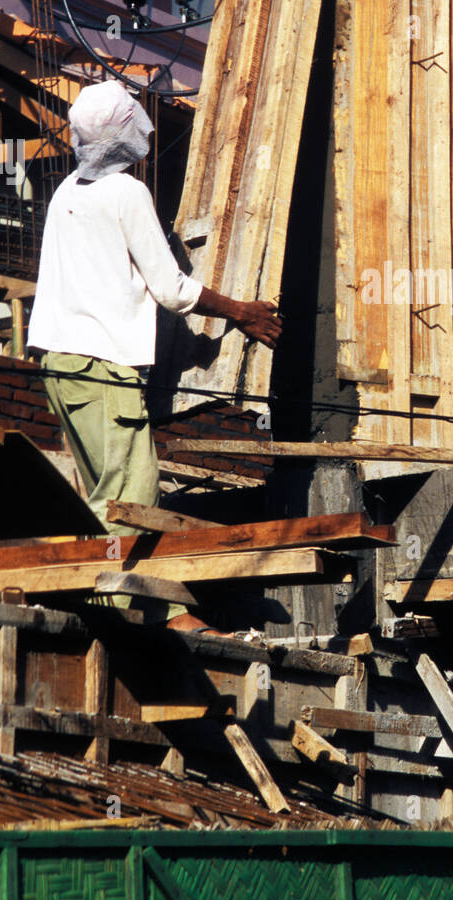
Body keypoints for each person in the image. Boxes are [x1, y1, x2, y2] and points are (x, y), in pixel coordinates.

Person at [28, 80, 282, 629]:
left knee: (106, 492)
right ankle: (116, 613)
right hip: (100, 368)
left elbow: (116, 286)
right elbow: (170, 288)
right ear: (124, 135)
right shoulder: (125, 193)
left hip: (59, 365)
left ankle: (148, 606)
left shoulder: (68, 192)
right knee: (128, 494)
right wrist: (240, 311)